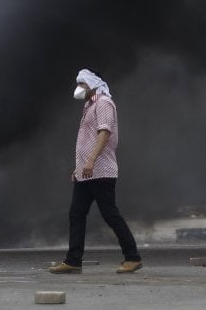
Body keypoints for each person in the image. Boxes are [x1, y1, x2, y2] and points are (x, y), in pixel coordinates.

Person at [49, 69, 142, 274]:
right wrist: (79, 167)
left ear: (92, 83)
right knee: (76, 214)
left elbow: (104, 133)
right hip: (87, 173)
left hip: (101, 171)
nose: (79, 88)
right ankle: (73, 261)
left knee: (110, 214)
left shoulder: (104, 103)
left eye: (82, 84)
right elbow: (87, 139)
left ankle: (133, 257)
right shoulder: (88, 106)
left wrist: (90, 160)